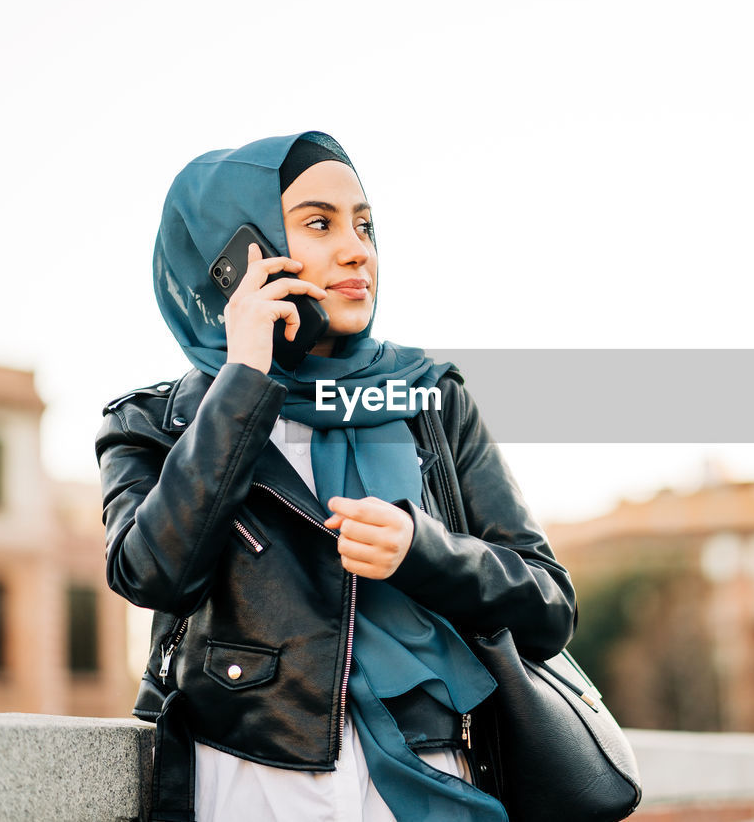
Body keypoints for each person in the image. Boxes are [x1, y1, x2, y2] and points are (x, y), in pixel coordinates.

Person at [96, 131, 577, 821]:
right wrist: (243, 381)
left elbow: (549, 606)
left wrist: (422, 551)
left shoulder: (429, 396)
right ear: (239, 252)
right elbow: (152, 573)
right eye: (319, 223)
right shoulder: (153, 422)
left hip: (434, 780)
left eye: (365, 225)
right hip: (248, 783)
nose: (358, 249)